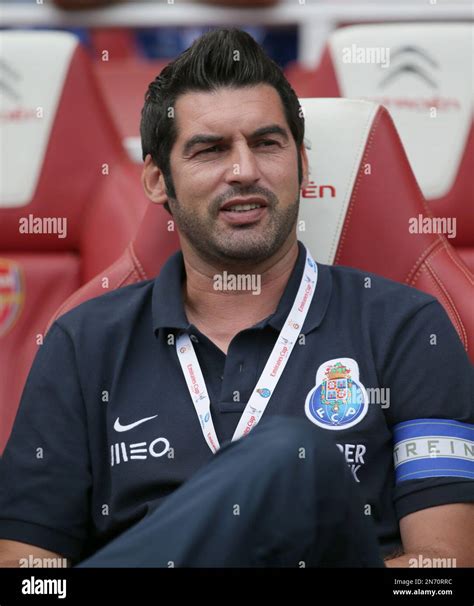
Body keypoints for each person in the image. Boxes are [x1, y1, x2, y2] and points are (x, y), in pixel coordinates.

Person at [0, 28, 472, 569]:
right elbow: (27, 574)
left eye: (267, 144)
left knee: (293, 460)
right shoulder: (82, 342)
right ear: (157, 181)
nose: (244, 171)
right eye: (210, 150)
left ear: (304, 167)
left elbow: (443, 572)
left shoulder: (408, 327)